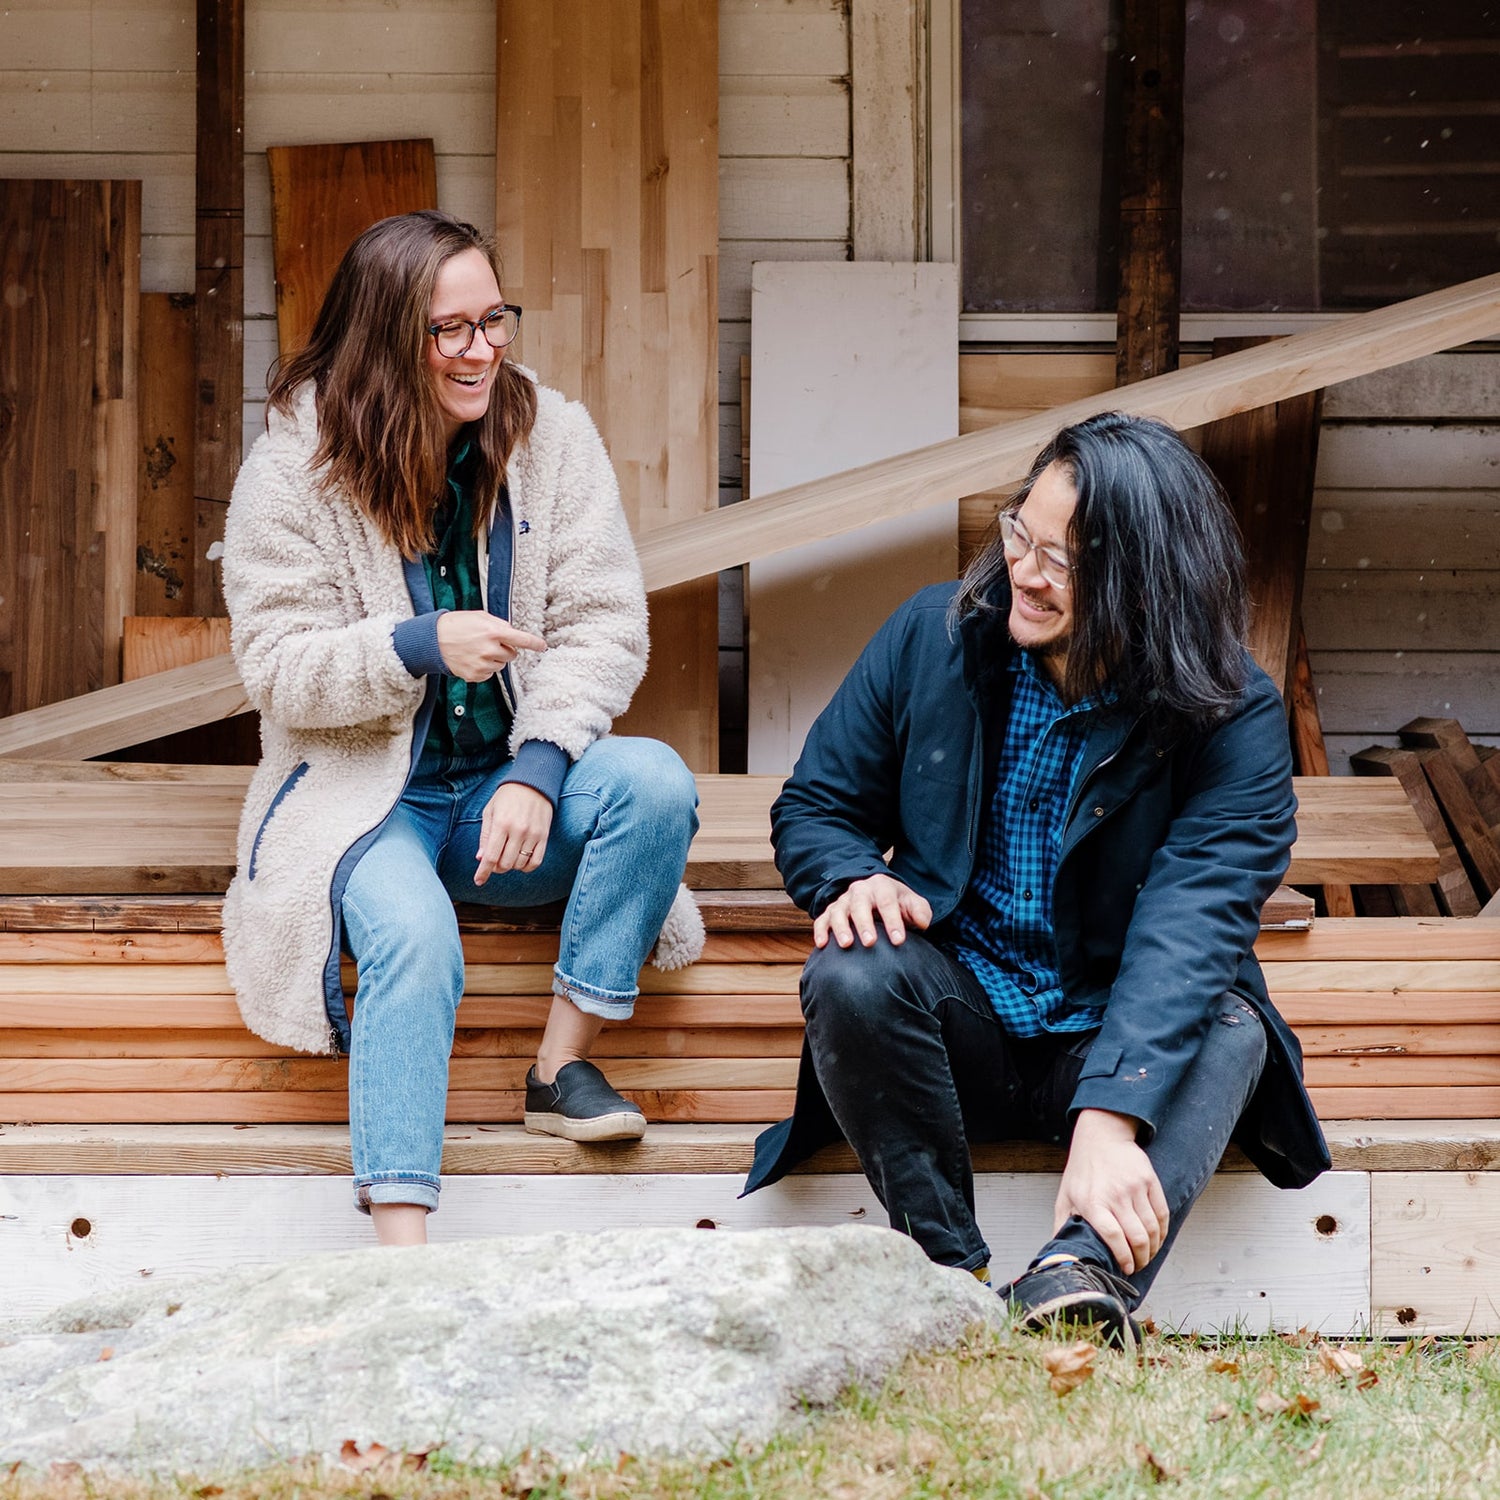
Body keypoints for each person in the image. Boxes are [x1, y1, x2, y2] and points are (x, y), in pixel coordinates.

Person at [742, 411, 1331, 1345]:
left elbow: (1194, 925)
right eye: (1023, 531)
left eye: (1064, 560)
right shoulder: (932, 638)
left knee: (1231, 1025)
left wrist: (1111, 1117)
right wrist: (850, 876)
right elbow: (815, 806)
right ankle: (946, 1277)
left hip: (1114, 1035)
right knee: (852, 971)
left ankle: (1074, 1276)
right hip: (959, 1028)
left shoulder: (1230, 712)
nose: (1025, 569)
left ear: (1146, 586)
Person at [221, 210, 703, 1246]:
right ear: (387, 340)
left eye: (495, 320)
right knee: (416, 939)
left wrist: (538, 768)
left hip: (501, 800)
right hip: (367, 802)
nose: (482, 349)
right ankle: (405, 1256)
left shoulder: (552, 439)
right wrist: (415, 644)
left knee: (655, 782)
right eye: (451, 330)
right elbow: (276, 667)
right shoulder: (294, 471)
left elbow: (605, 622)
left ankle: (558, 1067)